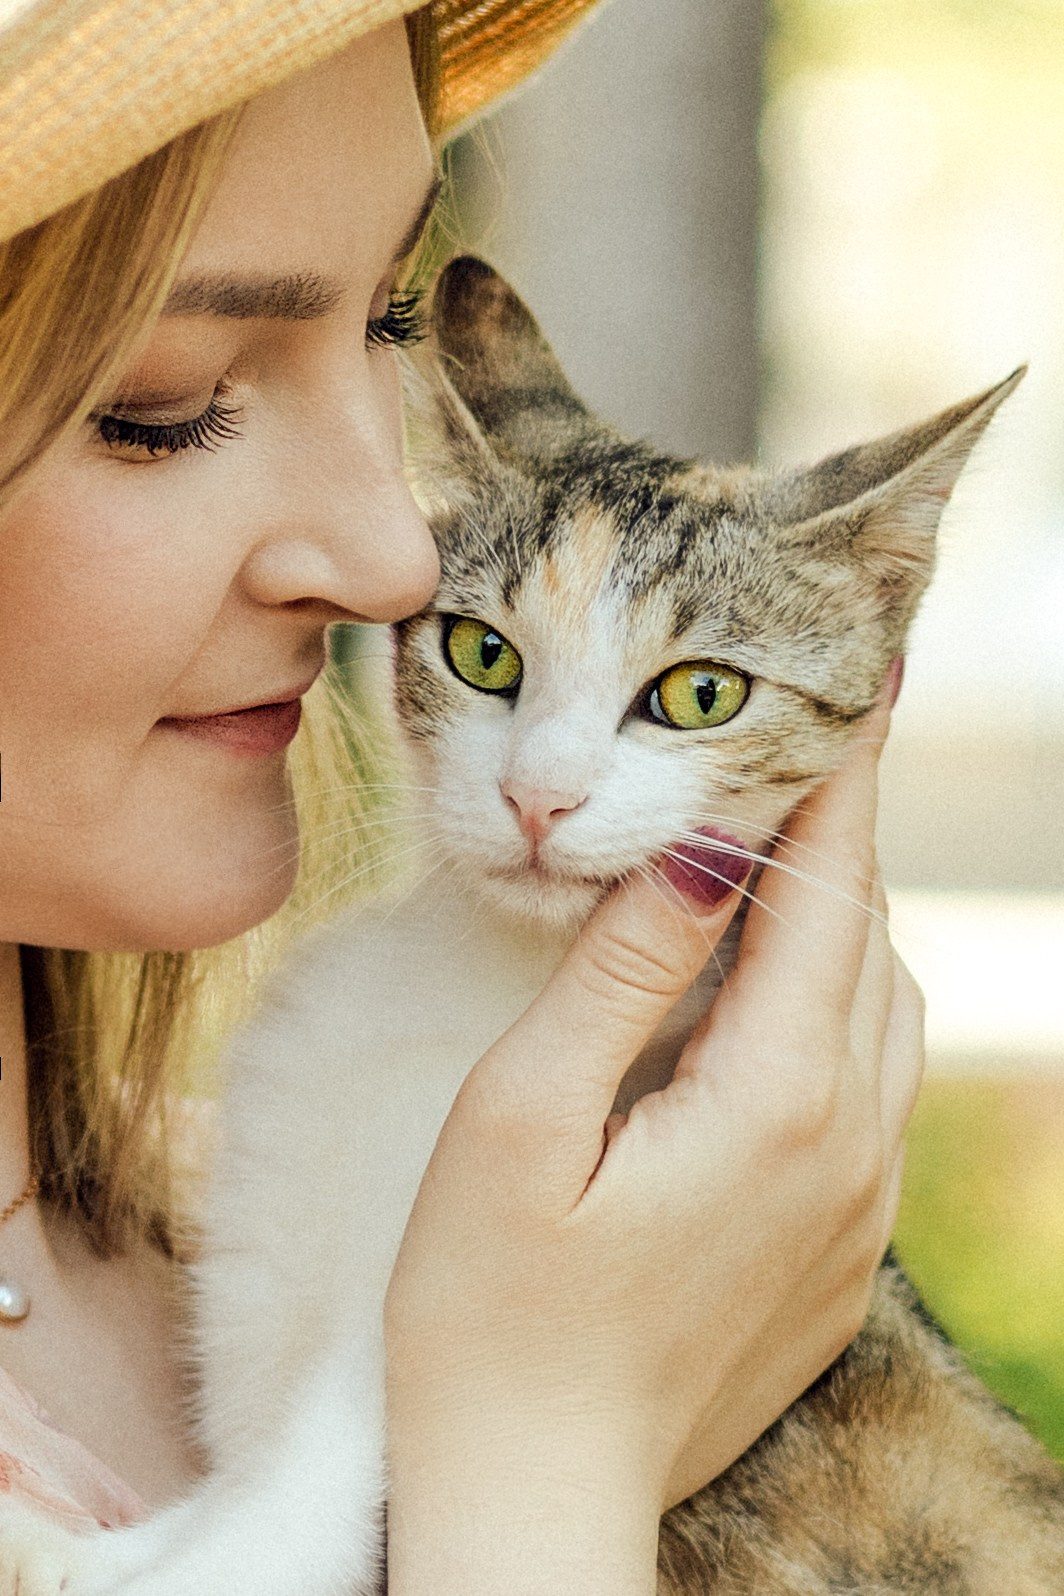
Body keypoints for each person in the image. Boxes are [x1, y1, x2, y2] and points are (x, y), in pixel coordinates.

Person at [0, 2, 924, 1590]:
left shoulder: (270, 1197)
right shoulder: (550, 1326)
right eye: (166, 401)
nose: (398, 564)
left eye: (386, 324)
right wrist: (535, 1447)